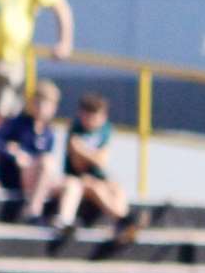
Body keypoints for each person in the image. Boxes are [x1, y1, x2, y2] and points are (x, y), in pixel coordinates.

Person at [0, 0, 72, 127]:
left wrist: (64, 42)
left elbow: (60, 6)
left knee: (5, 112)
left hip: (14, 59)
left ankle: (4, 144)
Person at [52, 91, 144, 243]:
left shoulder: (105, 130)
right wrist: (92, 155)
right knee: (92, 185)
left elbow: (101, 160)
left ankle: (122, 225)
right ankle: (124, 220)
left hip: (96, 177)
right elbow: (78, 165)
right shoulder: (75, 128)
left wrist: (84, 151)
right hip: (77, 178)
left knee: (116, 187)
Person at [0, 77, 61, 223]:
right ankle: (34, 210)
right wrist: (13, 153)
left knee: (72, 184)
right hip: (15, 175)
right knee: (46, 162)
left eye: (46, 104)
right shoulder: (18, 124)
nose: (41, 108)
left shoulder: (48, 132)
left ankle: (62, 219)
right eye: (38, 103)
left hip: (36, 178)